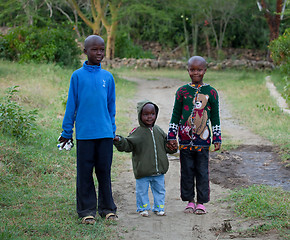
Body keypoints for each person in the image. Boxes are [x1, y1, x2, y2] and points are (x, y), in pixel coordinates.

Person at [58, 35, 117, 224]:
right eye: (94, 49)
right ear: (85, 51)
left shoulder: (108, 77)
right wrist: (67, 132)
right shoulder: (77, 76)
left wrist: (112, 130)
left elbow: (111, 107)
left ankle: (107, 208)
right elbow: (71, 106)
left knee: (104, 172)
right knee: (84, 173)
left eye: (102, 49)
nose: (99, 53)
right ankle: (86, 210)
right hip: (85, 135)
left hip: (105, 134)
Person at [167, 56, 222, 215]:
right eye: (192, 69)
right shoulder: (182, 91)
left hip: (203, 142)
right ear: (188, 70)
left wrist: (217, 138)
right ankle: (190, 201)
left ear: (205, 70)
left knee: (202, 172)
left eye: (199, 70)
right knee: (187, 171)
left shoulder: (211, 92)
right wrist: (172, 135)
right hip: (184, 141)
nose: (195, 73)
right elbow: (176, 114)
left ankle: (201, 202)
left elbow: (215, 117)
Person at [113, 100, 177, 217]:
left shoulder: (158, 130)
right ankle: (143, 209)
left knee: (160, 190)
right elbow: (128, 145)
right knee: (141, 191)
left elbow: (167, 147)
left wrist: (172, 147)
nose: (149, 117)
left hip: (159, 171)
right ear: (140, 115)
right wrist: (119, 141)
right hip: (143, 171)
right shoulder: (137, 132)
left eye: (152, 114)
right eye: (146, 114)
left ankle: (159, 208)